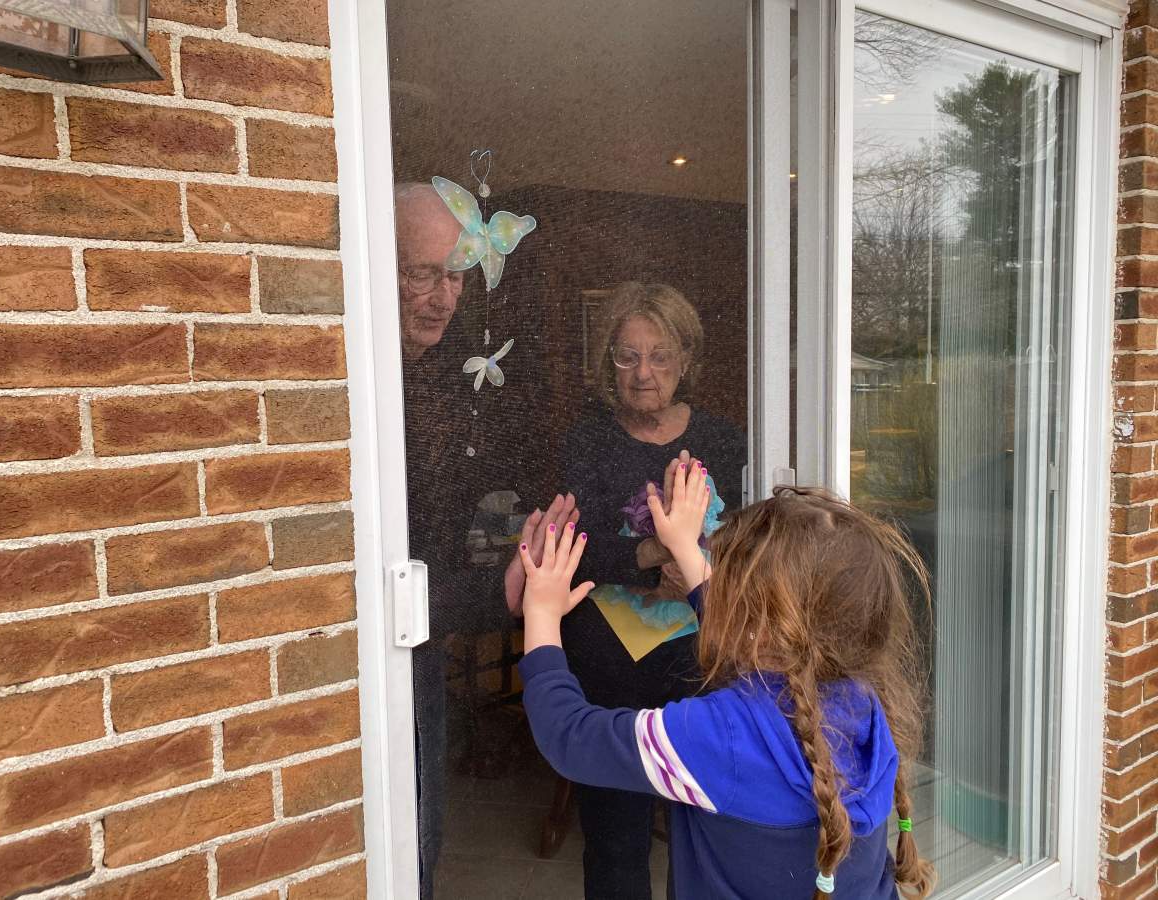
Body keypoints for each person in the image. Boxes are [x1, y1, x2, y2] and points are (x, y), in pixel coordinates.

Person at [515, 463, 937, 899]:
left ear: (755, 624)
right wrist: (682, 546)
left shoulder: (715, 739)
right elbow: (751, 634)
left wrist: (542, 613)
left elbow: (570, 737)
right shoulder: (865, 703)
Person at [510, 281, 744, 897]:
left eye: (660, 356)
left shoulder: (726, 438)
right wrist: (655, 553)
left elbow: (749, 537)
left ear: (685, 360)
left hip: (701, 653)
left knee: (713, 823)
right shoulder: (585, 440)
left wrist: (698, 558)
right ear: (608, 362)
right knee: (615, 836)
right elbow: (573, 545)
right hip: (609, 660)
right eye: (627, 356)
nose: (644, 373)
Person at [394, 182, 577, 898]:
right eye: (421, 273)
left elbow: (437, 541)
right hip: (348, 662)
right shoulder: (348, 376)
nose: (443, 296)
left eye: (457, 274)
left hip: (421, 647)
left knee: (422, 834)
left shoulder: (447, 382)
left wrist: (505, 575)